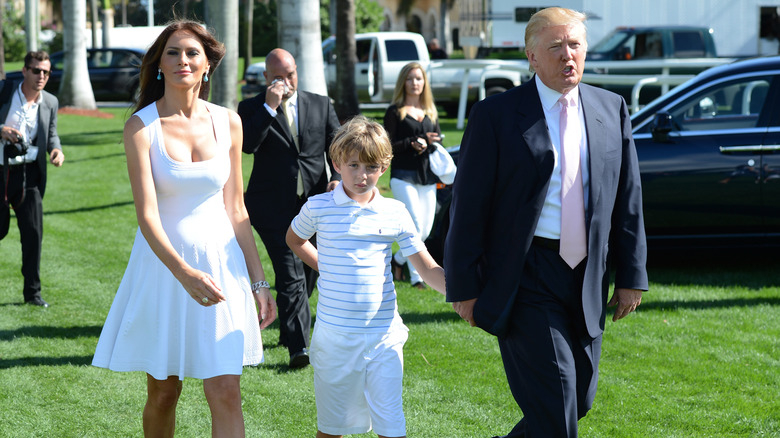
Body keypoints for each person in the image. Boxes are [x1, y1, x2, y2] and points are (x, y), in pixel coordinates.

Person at [444, 7, 648, 438]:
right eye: (554, 47)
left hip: (587, 276)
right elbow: (467, 206)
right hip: (525, 274)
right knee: (557, 404)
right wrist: (463, 287)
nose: (567, 56)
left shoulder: (611, 108)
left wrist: (633, 275)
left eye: (574, 45)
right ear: (532, 57)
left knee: (577, 403)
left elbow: (627, 199)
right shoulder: (496, 116)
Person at [92, 21, 276, 437]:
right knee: (163, 392)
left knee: (227, 391)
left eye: (192, 53)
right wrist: (184, 273)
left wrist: (260, 282)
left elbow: (237, 208)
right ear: (159, 64)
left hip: (223, 267)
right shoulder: (141, 127)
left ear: (208, 64)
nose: (182, 61)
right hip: (164, 270)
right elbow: (147, 216)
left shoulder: (229, 122)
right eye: (172, 53)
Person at [286, 116, 445, 438]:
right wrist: (325, 266)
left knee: (392, 427)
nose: (362, 175)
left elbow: (426, 268)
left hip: (384, 337)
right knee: (332, 430)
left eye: (371, 167)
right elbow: (294, 239)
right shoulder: (319, 207)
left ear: (384, 167)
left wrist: (465, 293)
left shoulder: (396, 211)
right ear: (337, 162)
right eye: (354, 165)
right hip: (335, 339)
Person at [237, 48, 341, 368]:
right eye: (279, 76)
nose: (287, 81)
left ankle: (288, 327)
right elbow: (248, 145)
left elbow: (338, 145)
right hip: (272, 207)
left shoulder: (320, 104)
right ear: (267, 77)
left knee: (309, 271)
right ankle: (300, 348)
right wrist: (270, 107)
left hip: (313, 203)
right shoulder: (251, 107)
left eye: (291, 74)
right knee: (291, 271)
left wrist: (337, 178)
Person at [0, 50, 65, 308]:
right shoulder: (4, 91)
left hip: (30, 176)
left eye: (46, 72)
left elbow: (51, 134)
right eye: (36, 70)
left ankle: (33, 294)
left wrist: (56, 150)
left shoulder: (50, 101)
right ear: (25, 70)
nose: (41, 76)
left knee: (33, 234)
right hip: (1, 172)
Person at [383, 62, 443, 290]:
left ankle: (397, 260)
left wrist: (430, 141)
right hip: (403, 175)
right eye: (410, 79)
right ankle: (417, 277)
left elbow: (437, 140)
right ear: (403, 83)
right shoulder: (395, 111)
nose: (415, 83)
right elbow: (386, 145)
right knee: (415, 225)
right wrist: (411, 142)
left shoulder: (430, 111)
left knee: (425, 230)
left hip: (427, 176)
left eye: (419, 78)